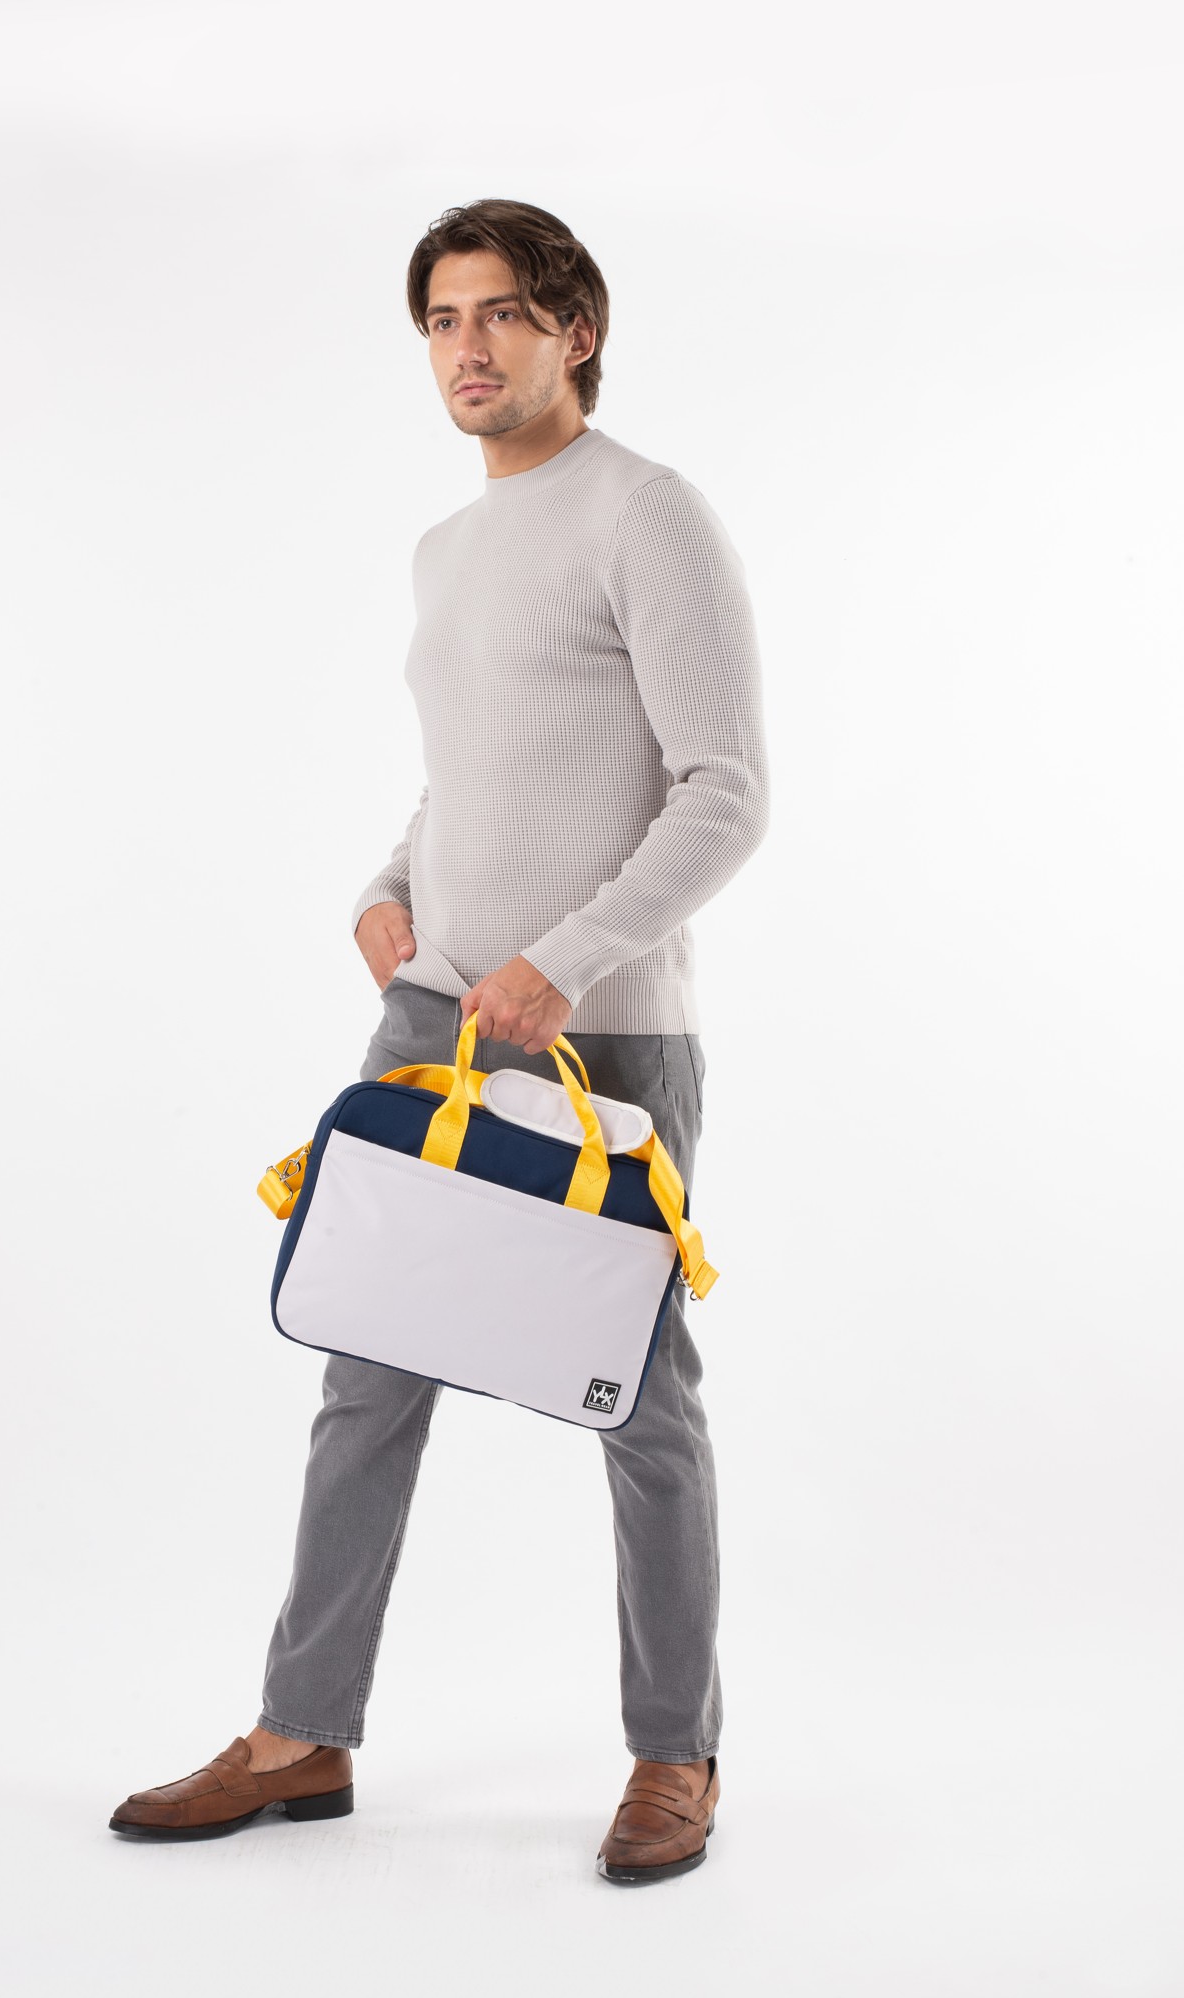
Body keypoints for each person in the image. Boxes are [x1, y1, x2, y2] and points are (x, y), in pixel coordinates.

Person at [110, 198, 770, 1884]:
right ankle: (302, 1733)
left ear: (576, 332)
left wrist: (566, 960)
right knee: (366, 1364)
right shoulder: (445, 549)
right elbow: (476, 766)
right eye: (441, 320)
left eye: (500, 315)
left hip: (602, 1031)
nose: (466, 348)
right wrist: (388, 886)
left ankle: (675, 1753)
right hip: (435, 1015)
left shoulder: (649, 512)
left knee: (638, 1395)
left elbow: (724, 793)